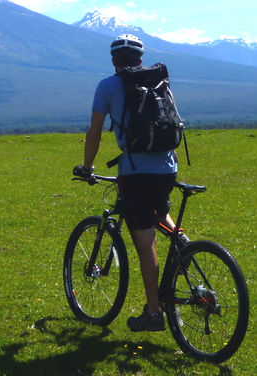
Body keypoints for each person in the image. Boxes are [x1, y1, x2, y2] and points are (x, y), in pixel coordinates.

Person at [73, 34, 179, 333]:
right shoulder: (159, 82)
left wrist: (88, 166)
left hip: (135, 172)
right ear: (140, 60)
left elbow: (94, 132)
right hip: (167, 168)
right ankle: (185, 247)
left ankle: (155, 312)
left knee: (145, 244)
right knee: (160, 213)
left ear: (113, 60)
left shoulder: (107, 86)